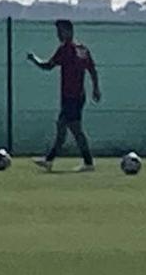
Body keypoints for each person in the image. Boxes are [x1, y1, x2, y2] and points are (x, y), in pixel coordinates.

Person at [28, 19, 101, 172]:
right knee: (63, 128)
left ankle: (88, 163)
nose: (58, 35)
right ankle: (50, 160)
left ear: (69, 31)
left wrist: (34, 59)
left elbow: (48, 66)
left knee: (73, 129)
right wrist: (95, 88)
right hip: (77, 96)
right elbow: (92, 70)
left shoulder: (66, 49)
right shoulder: (82, 49)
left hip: (71, 97)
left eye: (60, 31)